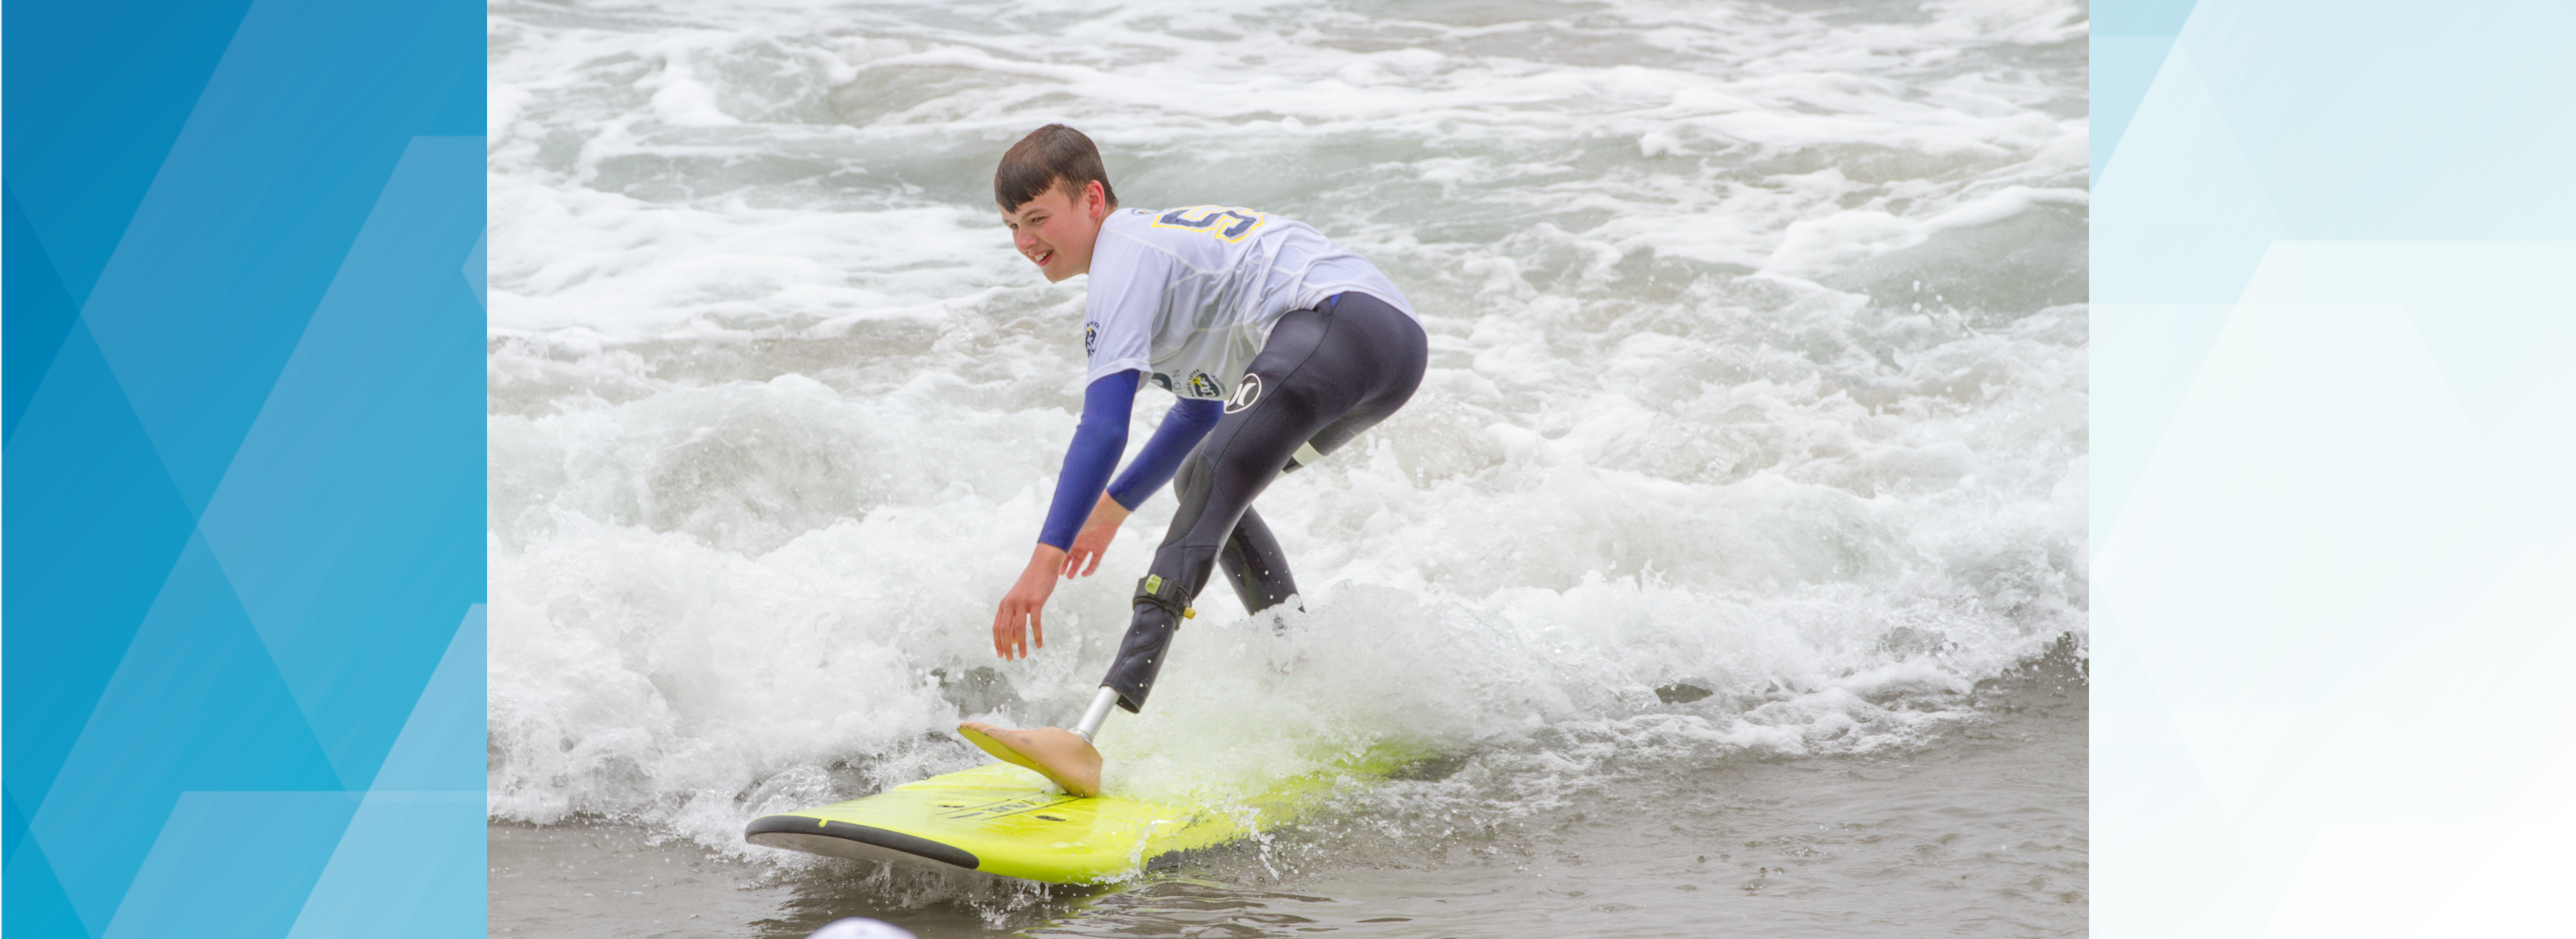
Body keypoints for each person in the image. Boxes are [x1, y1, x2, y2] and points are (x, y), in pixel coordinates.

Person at [957, 125, 1427, 797]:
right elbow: (1200, 411)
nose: (1025, 242)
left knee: (1211, 479)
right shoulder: (1159, 259)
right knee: (1205, 480)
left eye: (1037, 219)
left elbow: (1103, 423)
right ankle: (1295, 662)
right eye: (1010, 226)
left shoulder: (1123, 253)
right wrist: (1112, 511)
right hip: (1390, 353)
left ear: (1093, 199)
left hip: (1338, 321)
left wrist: (1045, 559)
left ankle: (1087, 733)